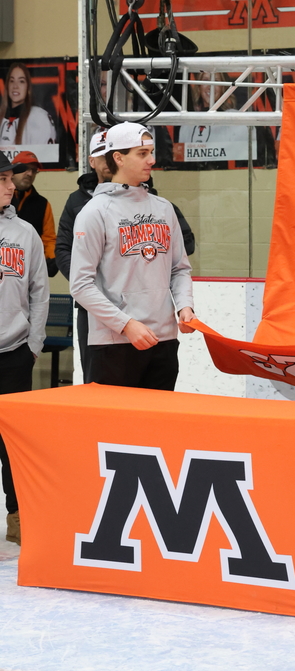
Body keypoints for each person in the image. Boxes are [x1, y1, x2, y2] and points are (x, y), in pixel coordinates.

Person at [57, 129, 196, 377]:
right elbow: (80, 285)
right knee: (114, 417)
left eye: (151, 152)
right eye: (142, 153)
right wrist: (126, 325)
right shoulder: (94, 212)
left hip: (163, 339)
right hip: (113, 342)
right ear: (119, 158)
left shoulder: (164, 208)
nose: (152, 160)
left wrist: (185, 305)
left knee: (158, 416)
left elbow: (180, 268)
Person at [0, 150, 49, 547]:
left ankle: (18, 516)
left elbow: (39, 292)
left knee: (12, 444)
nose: (9, 186)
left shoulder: (25, 233)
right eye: (1, 180)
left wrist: (32, 345)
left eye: (9, 179)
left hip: (13, 352)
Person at [11, 150, 58, 278]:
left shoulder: (42, 204)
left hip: (30, 271)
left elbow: (49, 238)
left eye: (34, 170)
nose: (30, 173)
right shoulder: (3, 198)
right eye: (25, 168)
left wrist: (52, 258)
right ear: (13, 169)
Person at [0, 62, 57, 148]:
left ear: (28, 87)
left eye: (21, 81)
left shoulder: (39, 117)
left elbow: (43, 157)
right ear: (7, 86)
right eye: (12, 81)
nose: (15, 86)